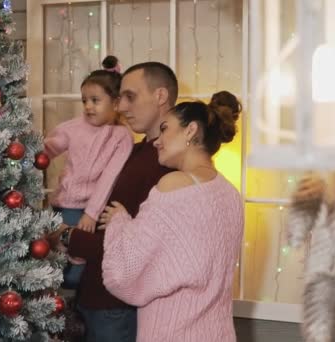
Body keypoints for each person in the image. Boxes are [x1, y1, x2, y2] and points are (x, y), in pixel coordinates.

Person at [99, 92, 245, 341]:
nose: (156, 140)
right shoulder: (230, 193)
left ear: (190, 131)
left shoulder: (173, 185)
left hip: (172, 332)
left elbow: (123, 274)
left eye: (165, 129)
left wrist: (119, 221)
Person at [49, 62, 178, 342]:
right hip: (94, 292)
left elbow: (143, 244)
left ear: (160, 96)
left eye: (130, 97)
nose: (120, 107)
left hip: (116, 303)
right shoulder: (137, 149)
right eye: (119, 99)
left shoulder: (166, 164)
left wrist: (70, 236)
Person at [44, 56, 133, 289]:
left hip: (86, 210)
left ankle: (75, 307)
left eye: (95, 100)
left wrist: (92, 214)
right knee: (51, 264)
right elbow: (49, 148)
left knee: (75, 272)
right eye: (84, 101)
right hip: (61, 205)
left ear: (115, 103)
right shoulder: (74, 127)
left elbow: (110, 178)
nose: (88, 107)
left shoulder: (121, 136)